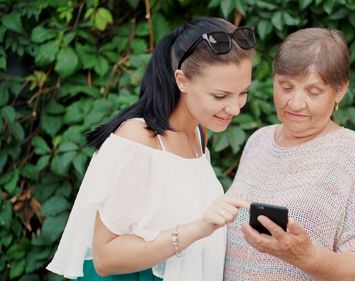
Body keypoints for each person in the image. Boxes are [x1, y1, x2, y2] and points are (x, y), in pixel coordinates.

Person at [46, 17, 256, 281]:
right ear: (182, 80)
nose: (235, 108)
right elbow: (105, 258)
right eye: (220, 96)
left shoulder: (198, 133)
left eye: (243, 93)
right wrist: (196, 229)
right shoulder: (137, 140)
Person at [224, 28, 355, 280]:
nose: (295, 103)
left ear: (340, 90)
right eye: (286, 86)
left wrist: (305, 256)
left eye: (313, 91)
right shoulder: (258, 140)